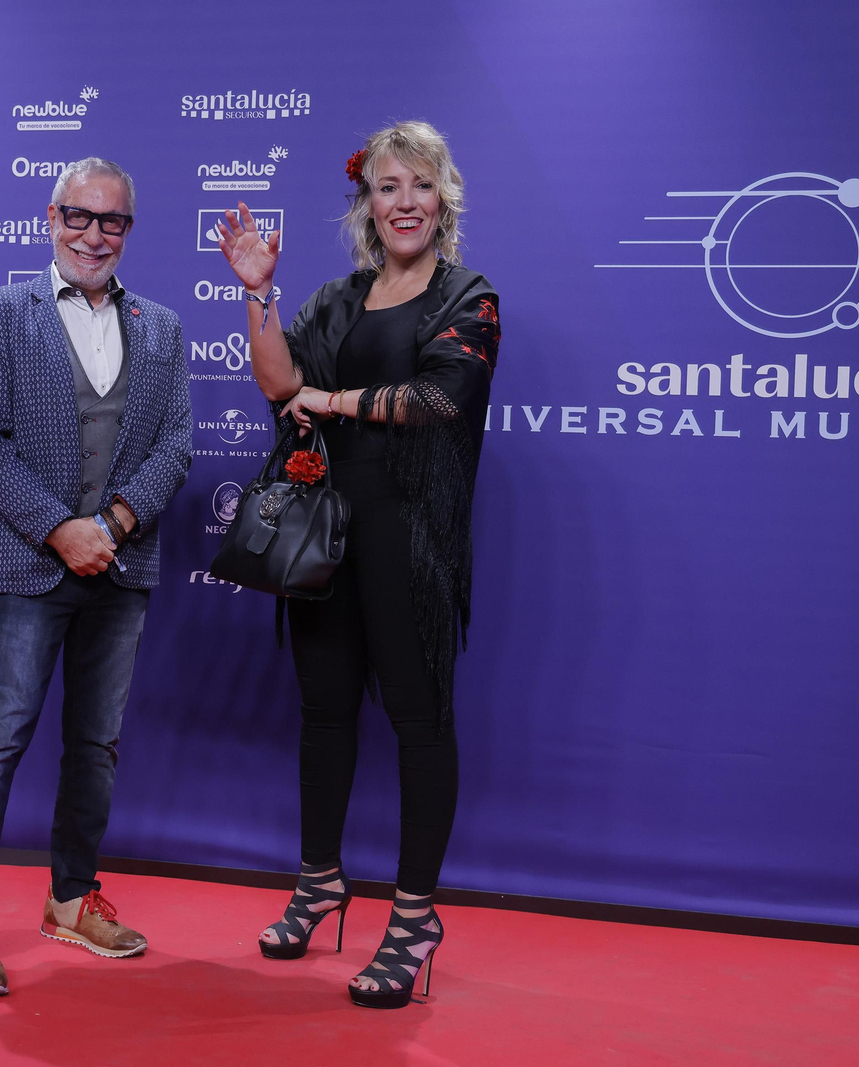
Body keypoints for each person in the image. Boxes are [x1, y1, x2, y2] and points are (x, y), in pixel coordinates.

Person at [214, 121, 500, 1008]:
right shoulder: (338, 297)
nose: (404, 202)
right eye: (386, 187)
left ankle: (414, 919)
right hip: (327, 540)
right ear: (366, 204)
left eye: (419, 185)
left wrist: (327, 398)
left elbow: (437, 398)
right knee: (325, 713)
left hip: (412, 544)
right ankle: (319, 882)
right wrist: (259, 295)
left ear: (442, 198)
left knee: (420, 722)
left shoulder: (469, 295)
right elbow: (274, 380)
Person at [0, 157, 192, 998]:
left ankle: (73, 898)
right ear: (50, 218)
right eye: (79, 216)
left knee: (97, 745)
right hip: (25, 567)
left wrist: (112, 525)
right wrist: (58, 528)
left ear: (128, 230)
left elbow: (175, 449)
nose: (94, 234)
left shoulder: (162, 327)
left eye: (111, 220)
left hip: (121, 569)